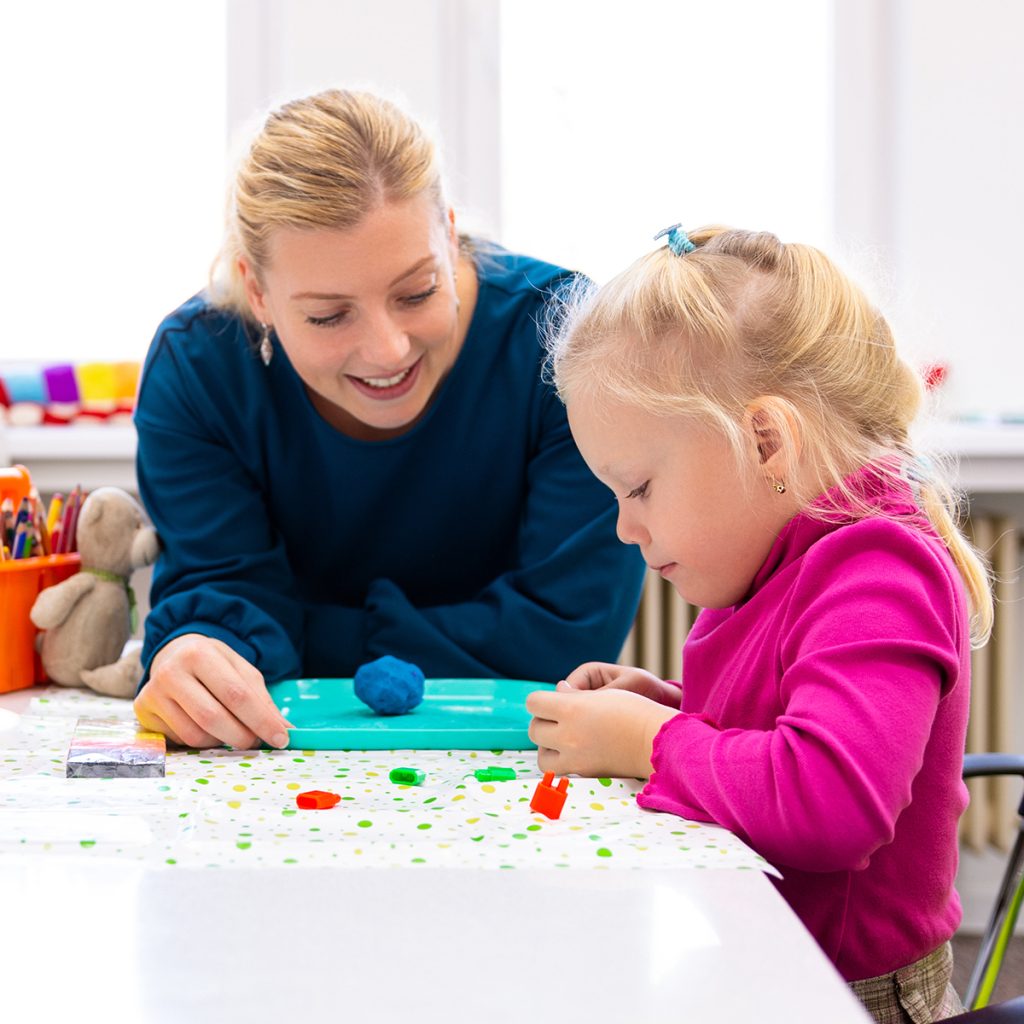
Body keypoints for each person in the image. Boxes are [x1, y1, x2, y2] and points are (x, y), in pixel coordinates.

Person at [526, 223, 992, 1022]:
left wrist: (648, 740)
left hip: (850, 998)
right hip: (766, 963)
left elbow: (829, 803)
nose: (622, 530)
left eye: (636, 488)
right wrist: (670, 705)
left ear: (766, 441)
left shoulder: (879, 569)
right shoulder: (777, 557)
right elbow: (782, 725)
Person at [132, 88, 644, 752]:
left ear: (450, 235)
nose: (388, 350)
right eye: (327, 315)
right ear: (256, 292)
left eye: (417, 291)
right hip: (285, 762)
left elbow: (565, 635)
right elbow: (221, 600)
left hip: (522, 755)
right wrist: (198, 654)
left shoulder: (569, 341)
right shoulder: (198, 369)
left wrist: (296, 636)